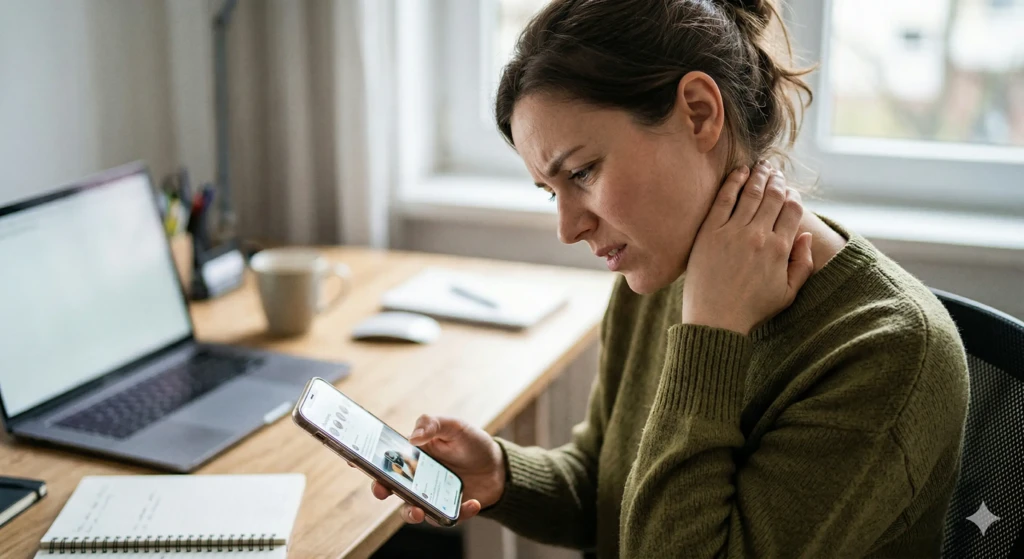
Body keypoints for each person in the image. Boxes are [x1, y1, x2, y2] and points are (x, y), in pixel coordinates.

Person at [369, 0, 970, 556]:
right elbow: (614, 491)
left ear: (699, 113)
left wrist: (709, 337)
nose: (568, 227)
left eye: (581, 172)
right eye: (551, 191)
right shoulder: (657, 268)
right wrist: (502, 474)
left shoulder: (889, 351)